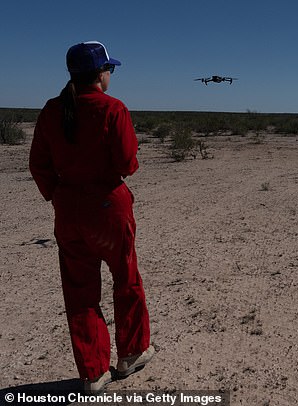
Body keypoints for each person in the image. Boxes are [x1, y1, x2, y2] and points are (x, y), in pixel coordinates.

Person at [29, 41, 154, 394]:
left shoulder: (52, 110)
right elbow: (128, 163)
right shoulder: (113, 109)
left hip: (69, 212)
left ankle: (93, 373)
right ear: (100, 74)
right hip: (108, 209)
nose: (110, 75)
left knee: (80, 292)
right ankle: (131, 352)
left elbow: (38, 164)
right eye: (109, 69)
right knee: (126, 279)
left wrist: (59, 195)